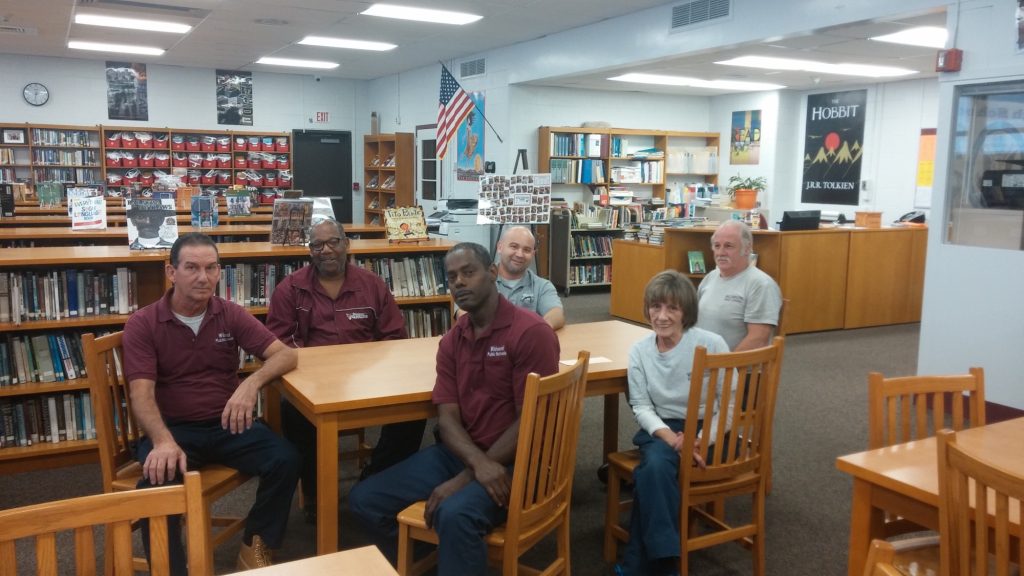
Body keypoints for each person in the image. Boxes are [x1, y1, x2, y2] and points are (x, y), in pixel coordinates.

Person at [349, 242, 560, 574]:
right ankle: (440, 561)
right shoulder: (451, 340)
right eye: (452, 277)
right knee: (364, 499)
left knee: (455, 514)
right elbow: (447, 419)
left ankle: (456, 556)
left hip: (518, 462)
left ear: (492, 273)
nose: (459, 282)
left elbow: (532, 422)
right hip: (465, 455)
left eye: (469, 272)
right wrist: (474, 466)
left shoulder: (531, 332)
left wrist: (467, 477)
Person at [122, 232, 299, 572]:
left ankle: (255, 546)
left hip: (227, 425)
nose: (203, 277)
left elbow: (285, 356)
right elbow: (141, 394)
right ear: (171, 272)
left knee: (287, 459)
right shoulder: (144, 324)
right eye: (192, 268)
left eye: (211, 268)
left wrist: (252, 383)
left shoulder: (228, 313)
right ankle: (171, 568)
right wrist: (161, 441)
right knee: (157, 484)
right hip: (174, 430)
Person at [265, 218, 424, 523]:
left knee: (414, 414)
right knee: (292, 414)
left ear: (346, 244)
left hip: (369, 379)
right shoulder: (291, 288)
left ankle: (376, 478)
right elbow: (277, 342)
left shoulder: (372, 285)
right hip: (313, 382)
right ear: (310, 251)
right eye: (317, 245)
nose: (325, 250)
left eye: (332, 242)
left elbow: (394, 336)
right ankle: (314, 492)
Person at [618, 270, 729, 576]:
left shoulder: (712, 343)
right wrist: (673, 439)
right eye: (656, 307)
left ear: (686, 312)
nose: (662, 316)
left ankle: (639, 565)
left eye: (672, 308)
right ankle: (667, 561)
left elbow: (729, 406)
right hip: (663, 426)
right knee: (654, 467)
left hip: (709, 428)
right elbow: (640, 405)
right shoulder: (640, 351)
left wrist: (699, 439)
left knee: (648, 476)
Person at [696, 220, 782, 351]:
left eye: (729, 246)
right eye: (717, 246)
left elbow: (758, 338)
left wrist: (725, 368)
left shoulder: (761, 285)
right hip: (700, 362)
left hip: (734, 367)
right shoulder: (711, 277)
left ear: (747, 249)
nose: (721, 252)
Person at [494, 225, 565, 330]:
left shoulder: (542, 286)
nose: (520, 254)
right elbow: (464, 312)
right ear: (500, 247)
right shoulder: (481, 281)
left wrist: (538, 330)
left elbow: (557, 314)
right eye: (514, 246)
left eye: (527, 250)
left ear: (533, 254)